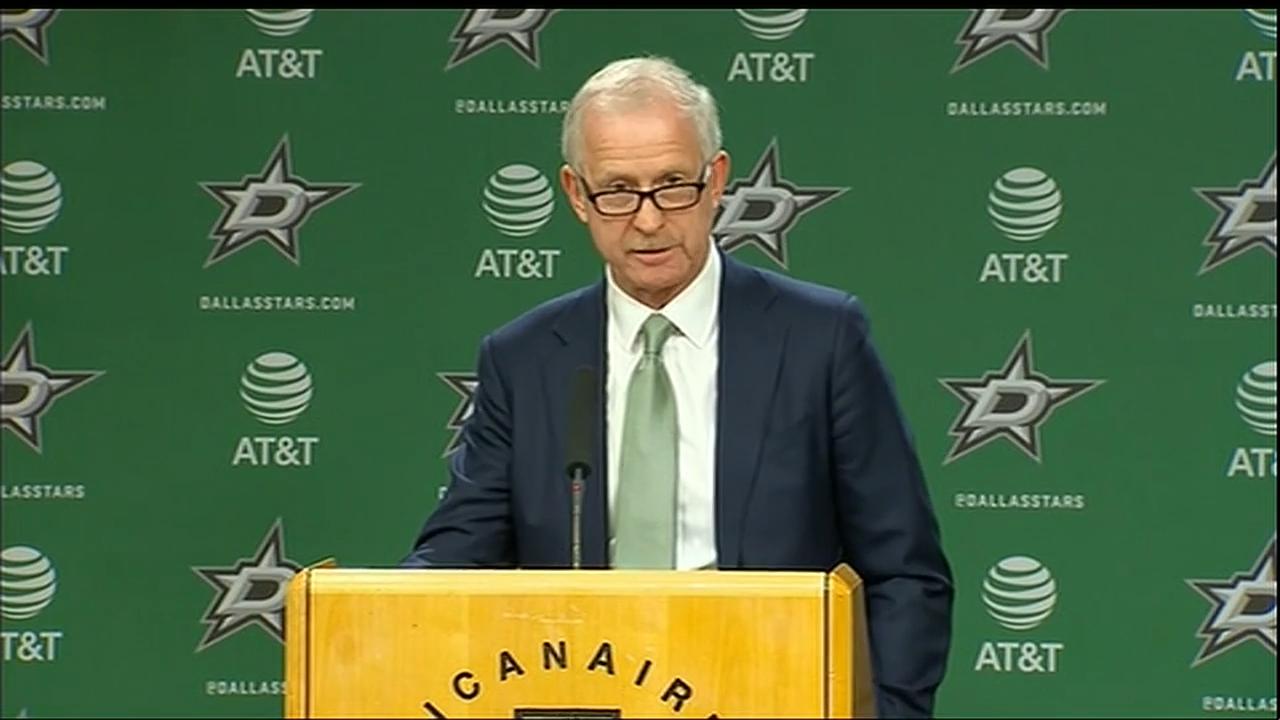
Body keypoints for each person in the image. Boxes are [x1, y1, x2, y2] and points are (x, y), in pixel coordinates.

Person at [401, 55, 953, 718]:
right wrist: (380, 615)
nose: (648, 220)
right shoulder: (524, 360)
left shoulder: (820, 339)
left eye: (672, 186)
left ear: (715, 180)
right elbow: (458, 556)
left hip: (768, 695)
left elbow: (903, 572)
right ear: (576, 194)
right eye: (617, 191)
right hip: (580, 696)